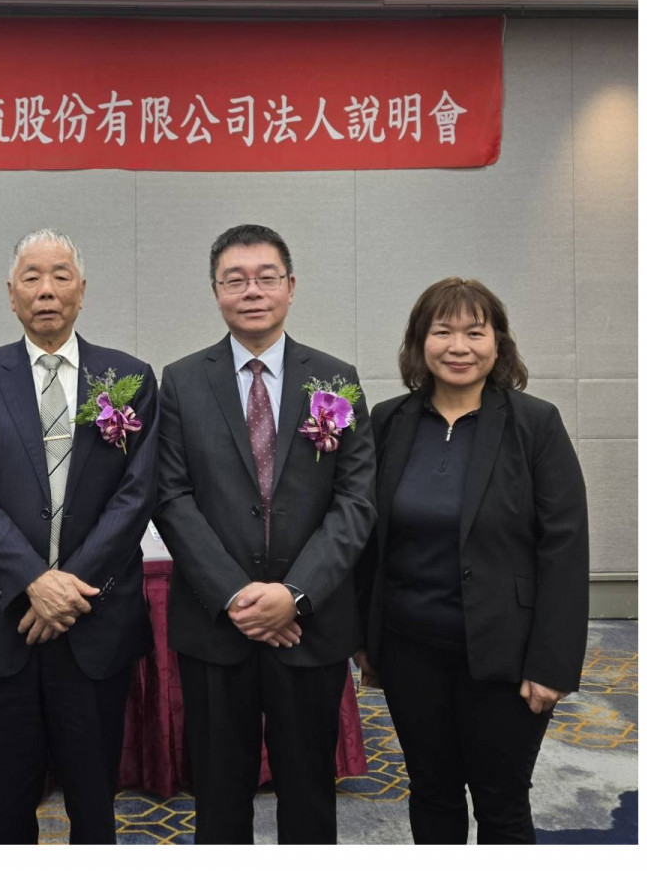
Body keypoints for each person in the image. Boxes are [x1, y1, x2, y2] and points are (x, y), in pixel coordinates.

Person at [152, 223, 376, 844]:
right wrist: (236, 595)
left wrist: (294, 594)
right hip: (216, 626)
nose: (252, 291)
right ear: (216, 291)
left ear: (291, 286)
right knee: (219, 795)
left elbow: (356, 501)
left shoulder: (335, 379)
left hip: (310, 626)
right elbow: (171, 496)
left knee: (309, 792)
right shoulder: (182, 381)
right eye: (235, 280)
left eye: (266, 277)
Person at [0, 229, 159, 844]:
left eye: (61, 276)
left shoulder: (129, 376)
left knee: (95, 805)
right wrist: (33, 582)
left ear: (81, 291)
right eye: (31, 277)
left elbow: (136, 494)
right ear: (10, 293)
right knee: (5, 809)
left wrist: (68, 589)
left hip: (95, 622)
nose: (46, 290)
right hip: (3, 622)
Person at [355, 277, 589, 844]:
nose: (458, 347)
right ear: (420, 343)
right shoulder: (388, 421)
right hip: (410, 650)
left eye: (475, 333)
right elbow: (366, 535)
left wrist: (552, 664)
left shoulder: (535, 423)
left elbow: (564, 546)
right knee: (431, 791)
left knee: (501, 801)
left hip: (506, 656)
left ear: (498, 343)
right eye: (443, 332)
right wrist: (364, 635)